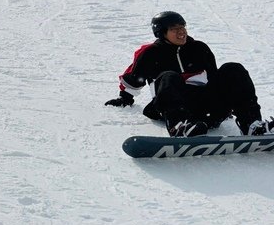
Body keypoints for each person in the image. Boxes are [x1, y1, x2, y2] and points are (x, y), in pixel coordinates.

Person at [103, 11, 272, 137]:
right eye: (174, 29)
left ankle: (252, 125)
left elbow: (216, 79)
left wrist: (227, 105)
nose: (181, 31)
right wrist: (124, 99)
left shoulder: (199, 48)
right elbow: (135, 78)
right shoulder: (151, 53)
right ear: (162, 32)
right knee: (169, 76)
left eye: (182, 26)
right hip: (172, 106)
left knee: (233, 68)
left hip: (206, 109)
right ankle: (180, 127)